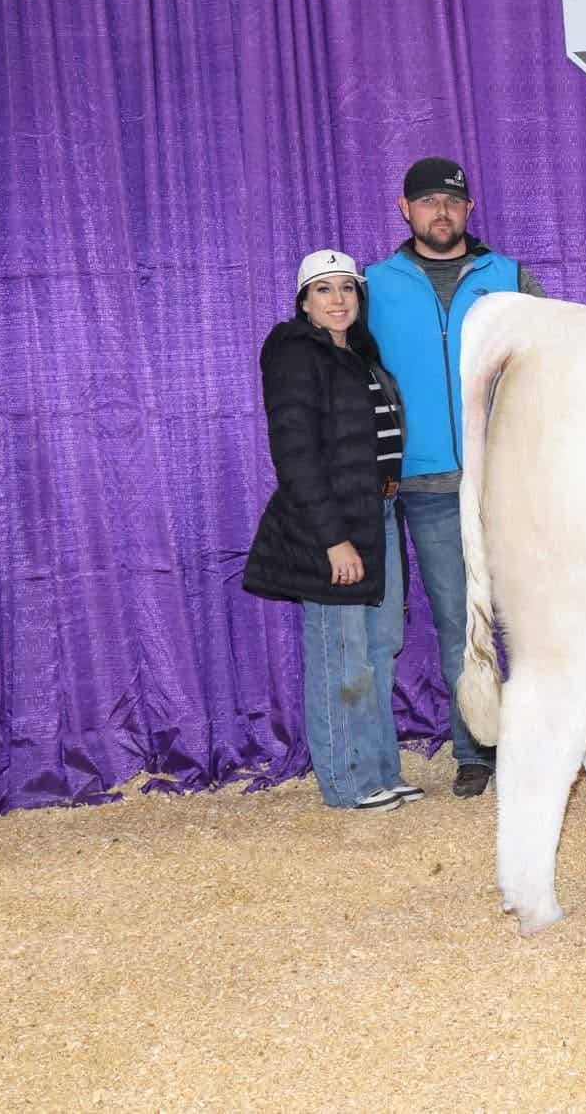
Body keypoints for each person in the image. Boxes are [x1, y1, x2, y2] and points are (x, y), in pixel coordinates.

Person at [366, 157, 547, 798]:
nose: (440, 211)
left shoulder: (508, 278)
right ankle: (476, 750)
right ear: (404, 209)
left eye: (451, 201)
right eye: (426, 201)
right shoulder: (373, 286)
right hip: (429, 484)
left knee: (536, 614)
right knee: (457, 618)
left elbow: (547, 370)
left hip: (513, 478)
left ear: (469, 210)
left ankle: (539, 744)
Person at [244, 250, 419, 811]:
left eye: (347, 287)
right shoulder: (297, 354)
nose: (338, 298)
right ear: (304, 302)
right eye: (323, 289)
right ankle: (347, 781)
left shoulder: (360, 354)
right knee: (341, 654)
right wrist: (332, 539)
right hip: (337, 525)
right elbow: (295, 454)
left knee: (380, 647)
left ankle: (379, 770)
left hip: (379, 515)